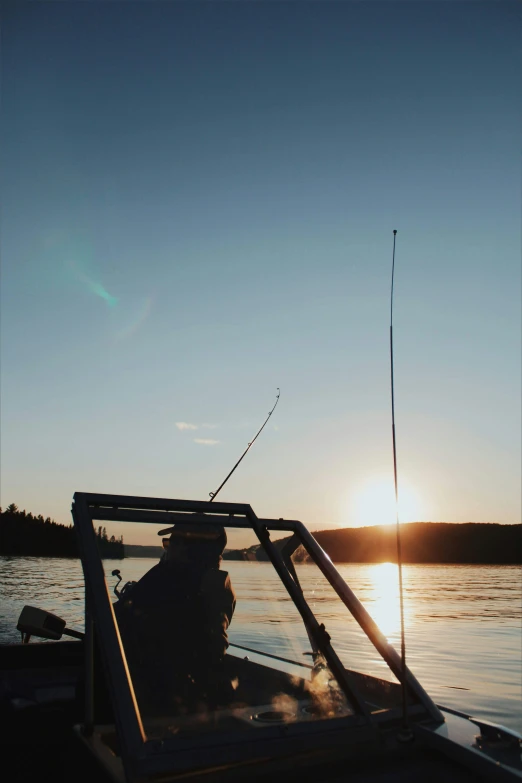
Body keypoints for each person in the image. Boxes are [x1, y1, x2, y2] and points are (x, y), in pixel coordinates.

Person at [115, 522, 236, 714]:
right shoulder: (173, 576)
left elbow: (210, 649)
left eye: (172, 544)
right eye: (168, 544)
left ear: (191, 550)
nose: (168, 549)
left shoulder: (194, 583)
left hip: (166, 696)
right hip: (162, 685)